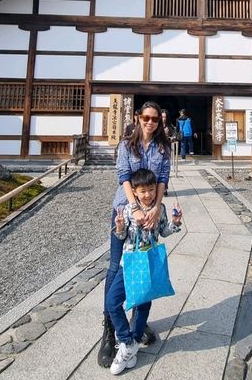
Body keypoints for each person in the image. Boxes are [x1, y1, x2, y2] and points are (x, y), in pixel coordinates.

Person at [98, 101, 171, 368]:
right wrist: (135, 207)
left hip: (151, 215)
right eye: (146, 118)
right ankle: (109, 331)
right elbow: (124, 176)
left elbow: (163, 178)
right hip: (125, 211)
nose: (150, 122)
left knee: (144, 264)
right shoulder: (127, 145)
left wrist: (156, 207)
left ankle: (135, 324)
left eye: (155, 118)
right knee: (116, 268)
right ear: (138, 118)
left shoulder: (164, 147)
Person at [106, 168, 182, 375]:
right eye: (143, 191)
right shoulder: (130, 210)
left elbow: (164, 231)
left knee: (142, 306)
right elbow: (121, 238)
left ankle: (134, 342)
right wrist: (119, 227)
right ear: (135, 192)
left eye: (151, 189)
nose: (148, 194)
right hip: (128, 263)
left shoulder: (160, 209)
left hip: (148, 263)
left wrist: (175, 223)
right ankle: (126, 341)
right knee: (112, 302)